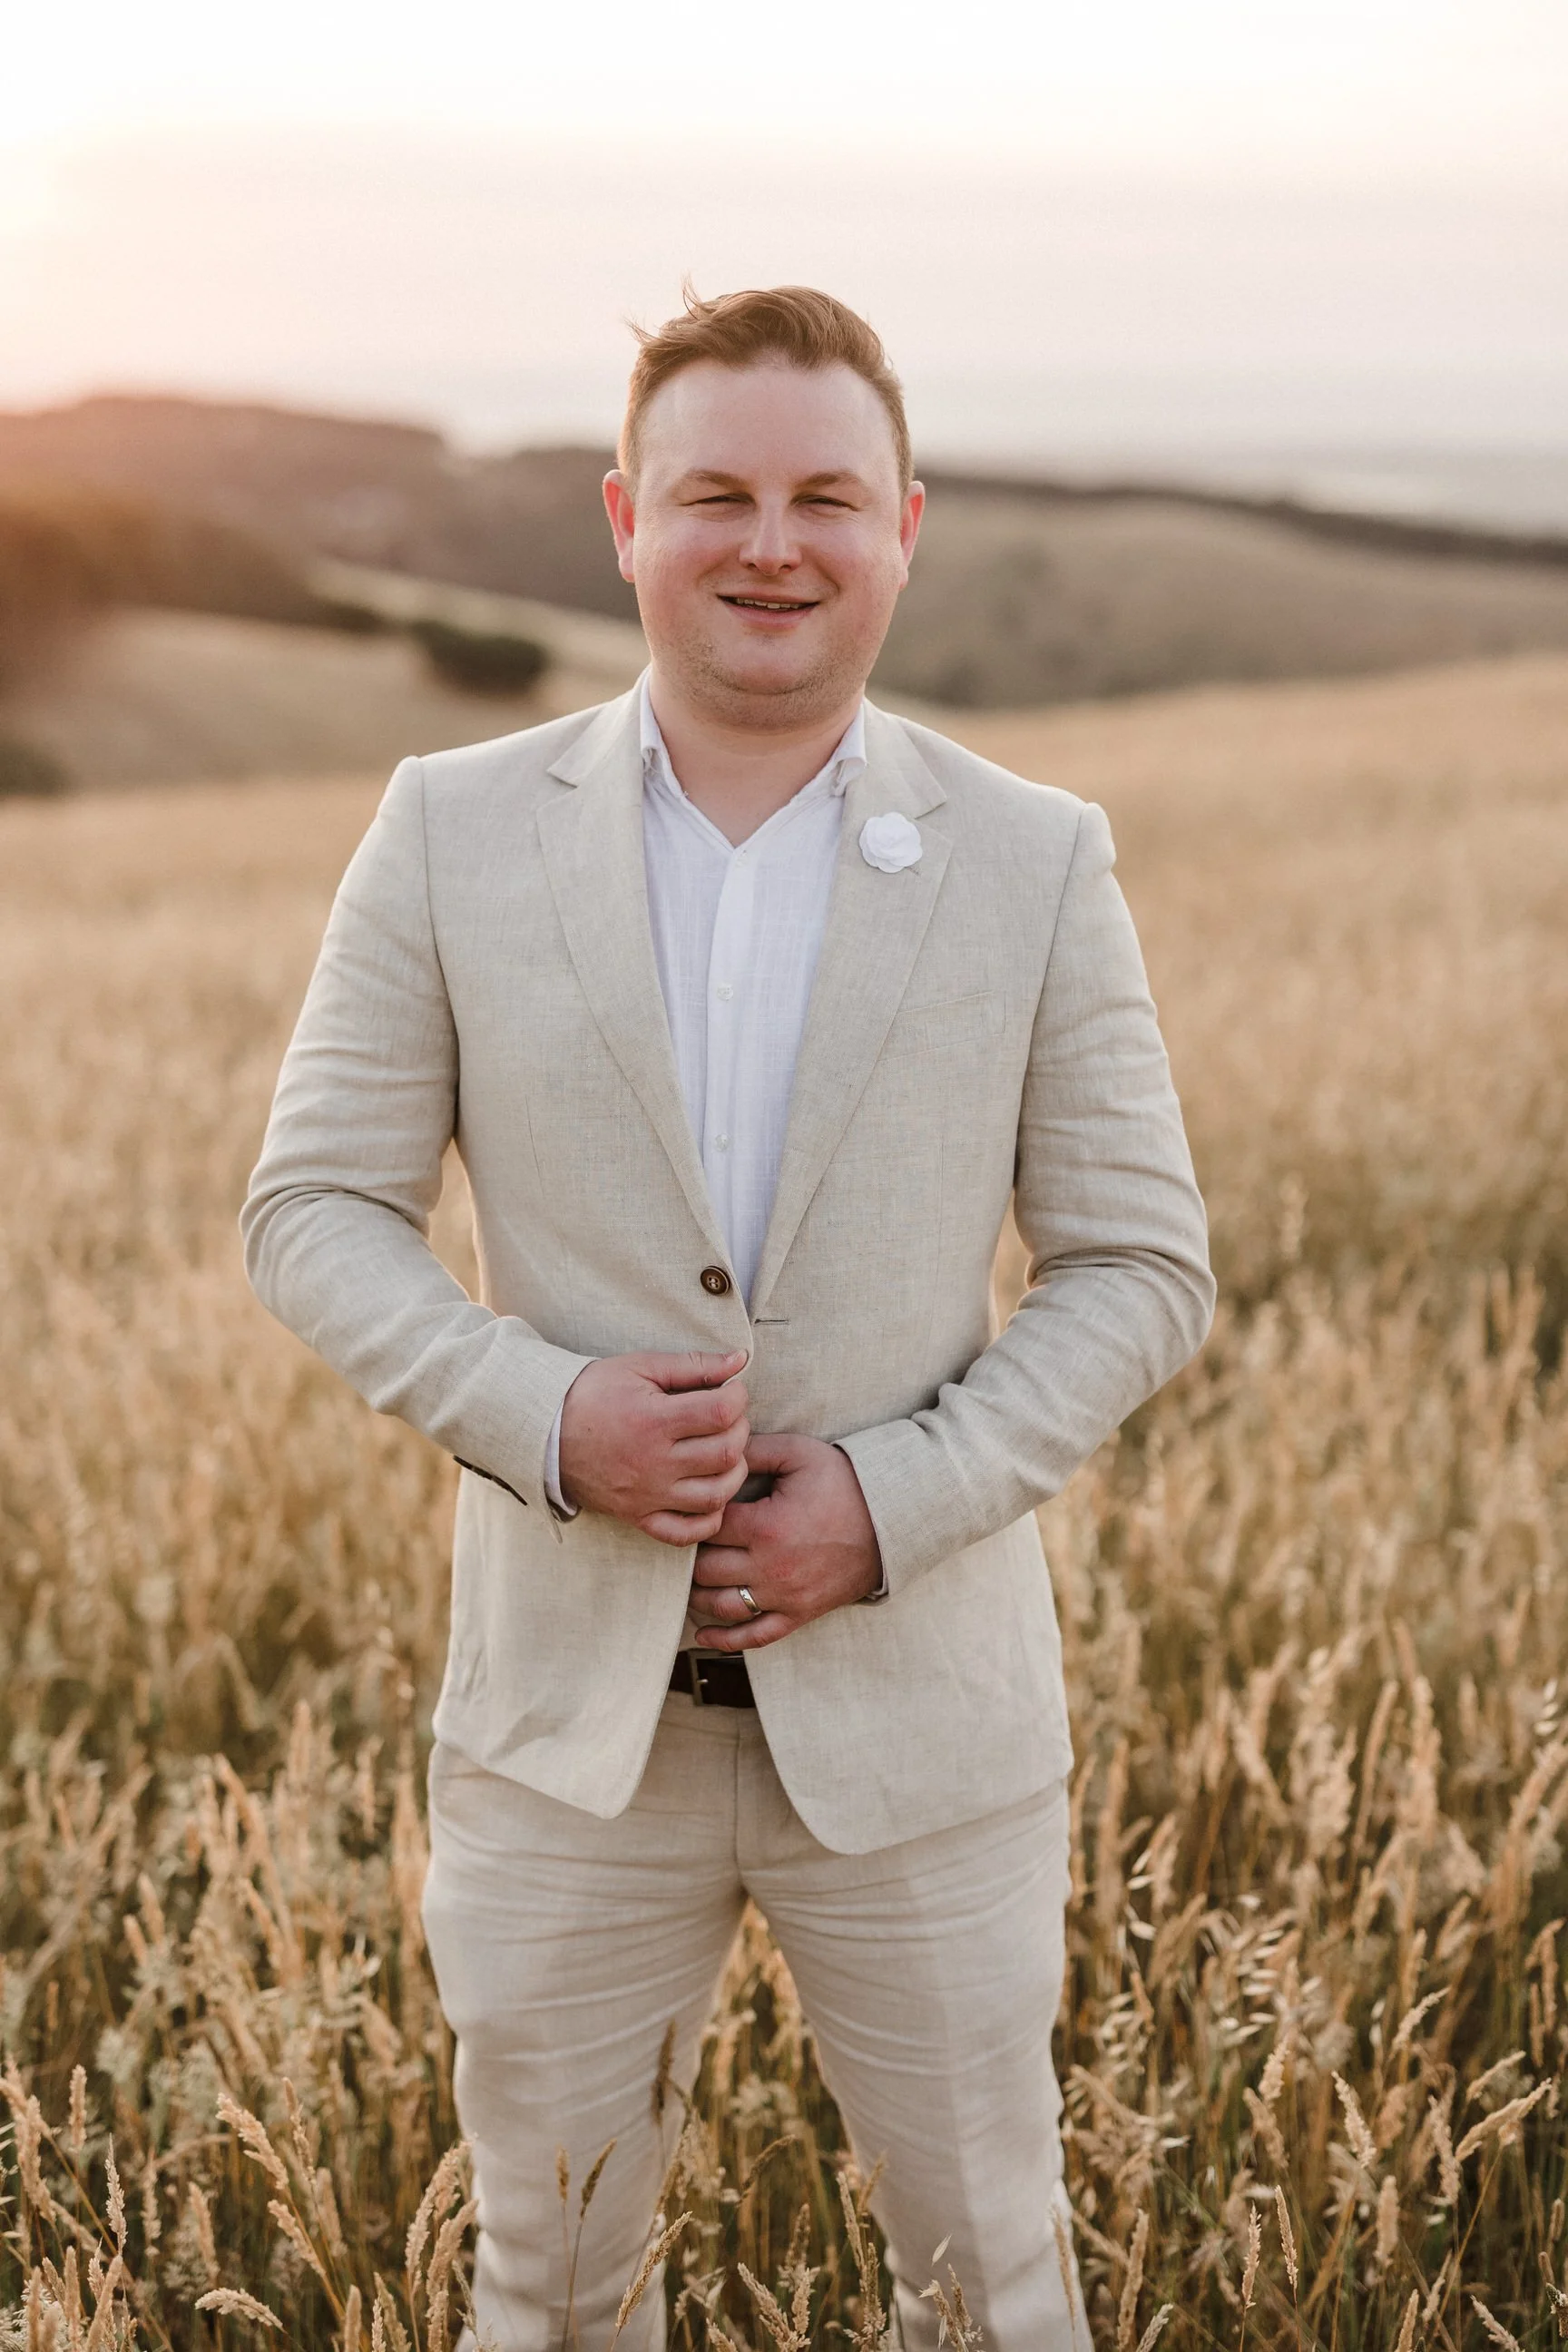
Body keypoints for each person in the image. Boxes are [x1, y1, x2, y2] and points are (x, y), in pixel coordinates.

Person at [242, 284, 1214, 2350]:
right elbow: (314, 1210)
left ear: (904, 528)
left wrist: (886, 1501)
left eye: (822, 497)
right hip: (560, 1746)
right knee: (552, 2291)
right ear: (624, 518)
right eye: (716, 495)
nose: (770, 542)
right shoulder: (448, 827)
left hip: (932, 1739)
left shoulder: (1037, 860)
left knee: (991, 2293)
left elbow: (1142, 1264)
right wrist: (544, 1411)